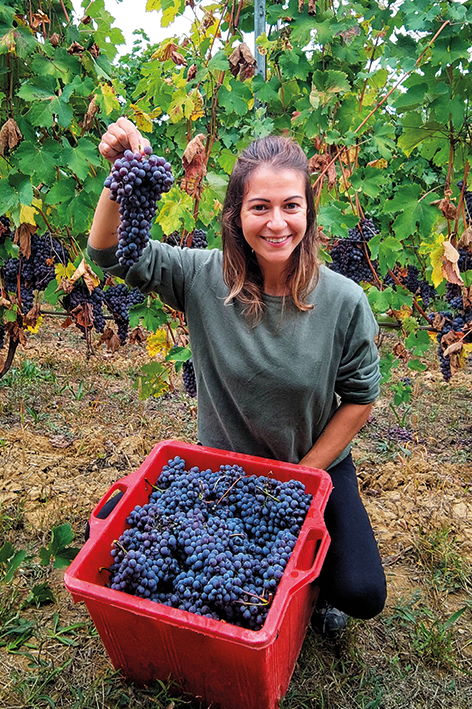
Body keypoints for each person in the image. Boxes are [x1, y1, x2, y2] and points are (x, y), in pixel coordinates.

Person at [88, 116, 387, 636]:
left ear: (308, 212)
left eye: (291, 206)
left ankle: (312, 587)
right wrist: (122, 174)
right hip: (223, 475)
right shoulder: (203, 278)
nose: (277, 223)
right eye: (260, 207)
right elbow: (109, 253)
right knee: (156, 552)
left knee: (361, 591)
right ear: (236, 215)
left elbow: (360, 398)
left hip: (310, 467)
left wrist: (302, 480)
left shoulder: (344, 300)